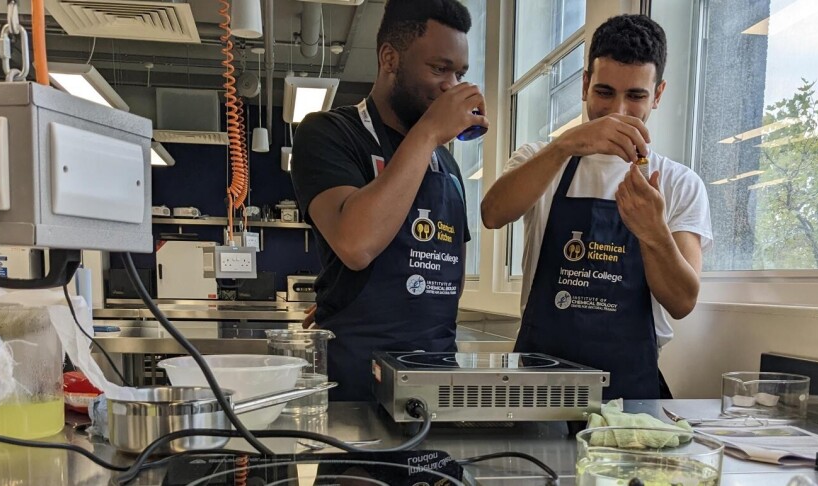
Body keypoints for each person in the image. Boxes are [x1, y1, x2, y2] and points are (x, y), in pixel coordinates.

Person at [480, 14, 712, 400]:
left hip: (630, 390)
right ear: (585, 85)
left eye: (636, 96)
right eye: (604, 92)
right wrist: (565, 145)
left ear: (658, 94)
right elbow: (492, 214)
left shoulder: (678, 183)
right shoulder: (540, 158)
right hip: (538, 385)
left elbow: (683, 301)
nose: (619, 110)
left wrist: (654, 231)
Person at [290, 0, 486, 401]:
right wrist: (430, 131)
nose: (452, 85)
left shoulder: (446, 163)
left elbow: (452, 280)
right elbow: (355, 245)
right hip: (355, 387)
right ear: (390, 58)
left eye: (460, 73)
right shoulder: (328, 133)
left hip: (435, 385)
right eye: (439, 68)